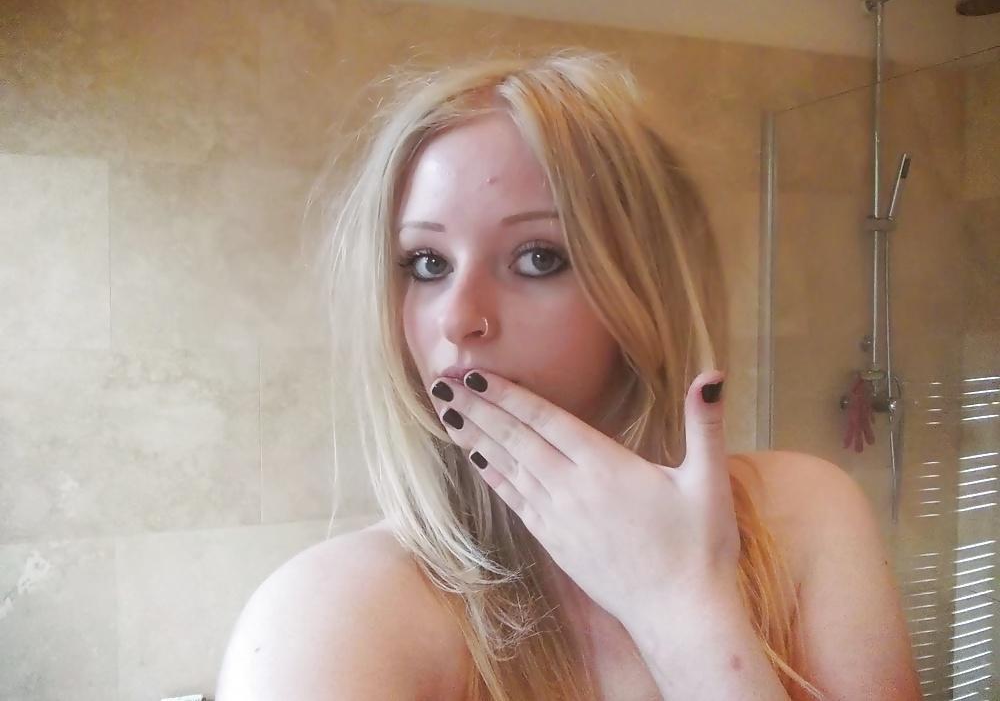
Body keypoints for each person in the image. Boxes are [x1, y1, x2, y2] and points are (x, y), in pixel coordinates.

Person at [215, 48, 922, 700]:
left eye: (538, 258)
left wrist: (683, 609)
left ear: (644, 287)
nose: (459, 318)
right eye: (427, 264)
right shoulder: (330, 617)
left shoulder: (805, 516)